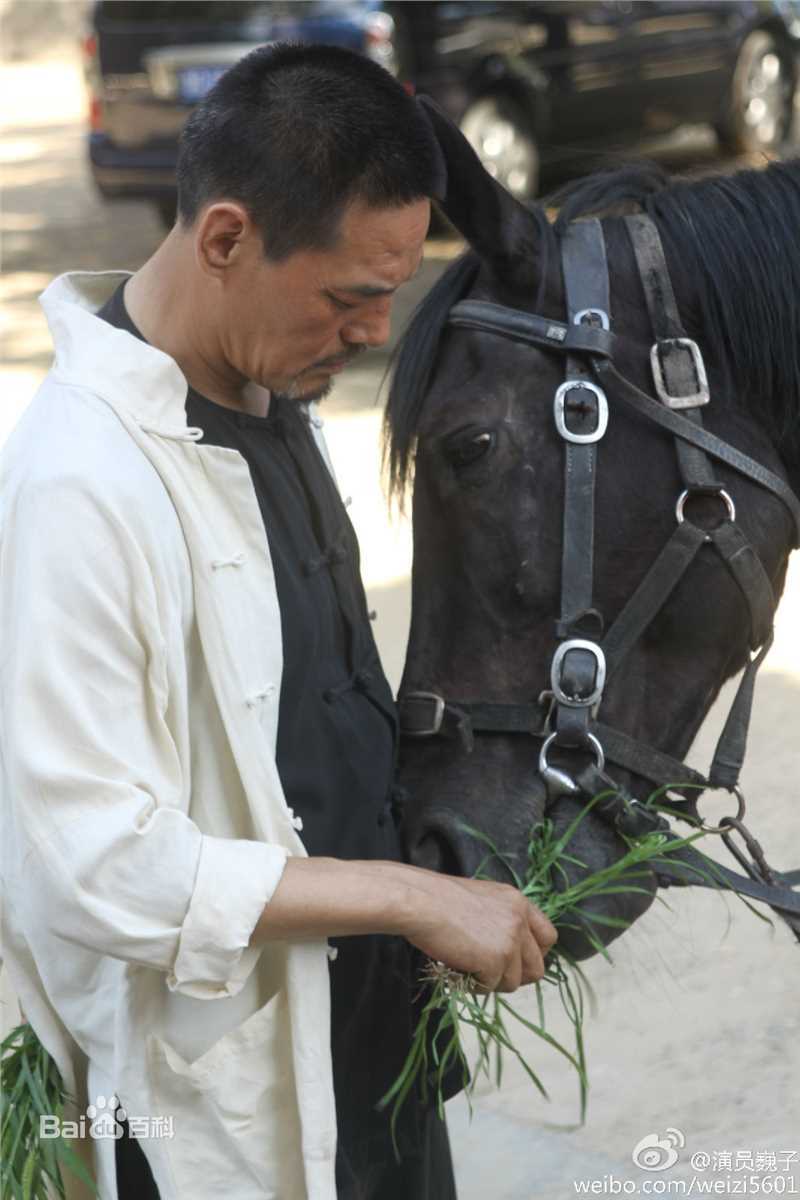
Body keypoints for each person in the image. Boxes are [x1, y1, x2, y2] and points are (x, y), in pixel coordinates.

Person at [0, 43, 557, 1200]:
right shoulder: (78, 487)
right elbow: (92, 865)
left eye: (392, 292)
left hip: (371, 1050)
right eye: (352, 296)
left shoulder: (269, 397)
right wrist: (413, 898)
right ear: (223, 239)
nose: (371, 333)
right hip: (223, 1121)